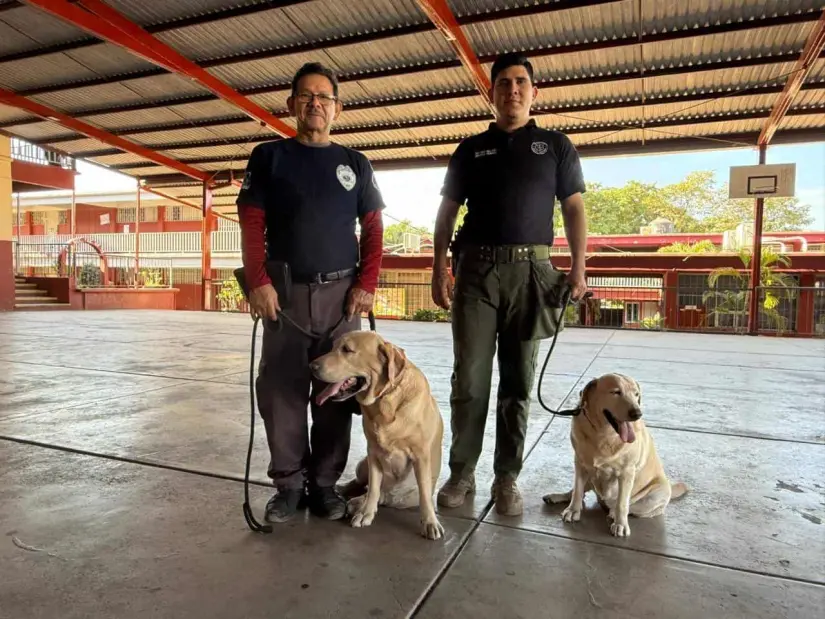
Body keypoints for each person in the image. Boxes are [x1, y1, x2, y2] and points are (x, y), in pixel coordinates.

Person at [430, 53, 588, 516]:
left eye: (521, 82)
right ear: (492, 93)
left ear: (534, 92)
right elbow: (446, 213)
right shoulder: (470, 149)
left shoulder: (556, 147)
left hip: (532, 272)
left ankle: (507, 476)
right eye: (503, 83)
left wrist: (578, 267)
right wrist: (440, 267)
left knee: (517, 381)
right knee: (471, 378)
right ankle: (462, 472)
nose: (512, 90)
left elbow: (574, 208)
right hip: (476, 272)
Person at [236, 62, 385, 523]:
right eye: (306, 95)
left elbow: (374, 228)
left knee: (338, 391)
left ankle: (324, 485)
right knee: (281, 391)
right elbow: (252, 223)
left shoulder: (355, 163)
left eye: (324, 96)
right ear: (291, 105)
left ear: (337, 108)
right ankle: (288, 486)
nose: (315, 103)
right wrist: (257, 280)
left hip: (343, 297)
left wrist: (367, 284)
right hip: (284, 295)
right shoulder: (269, 157)